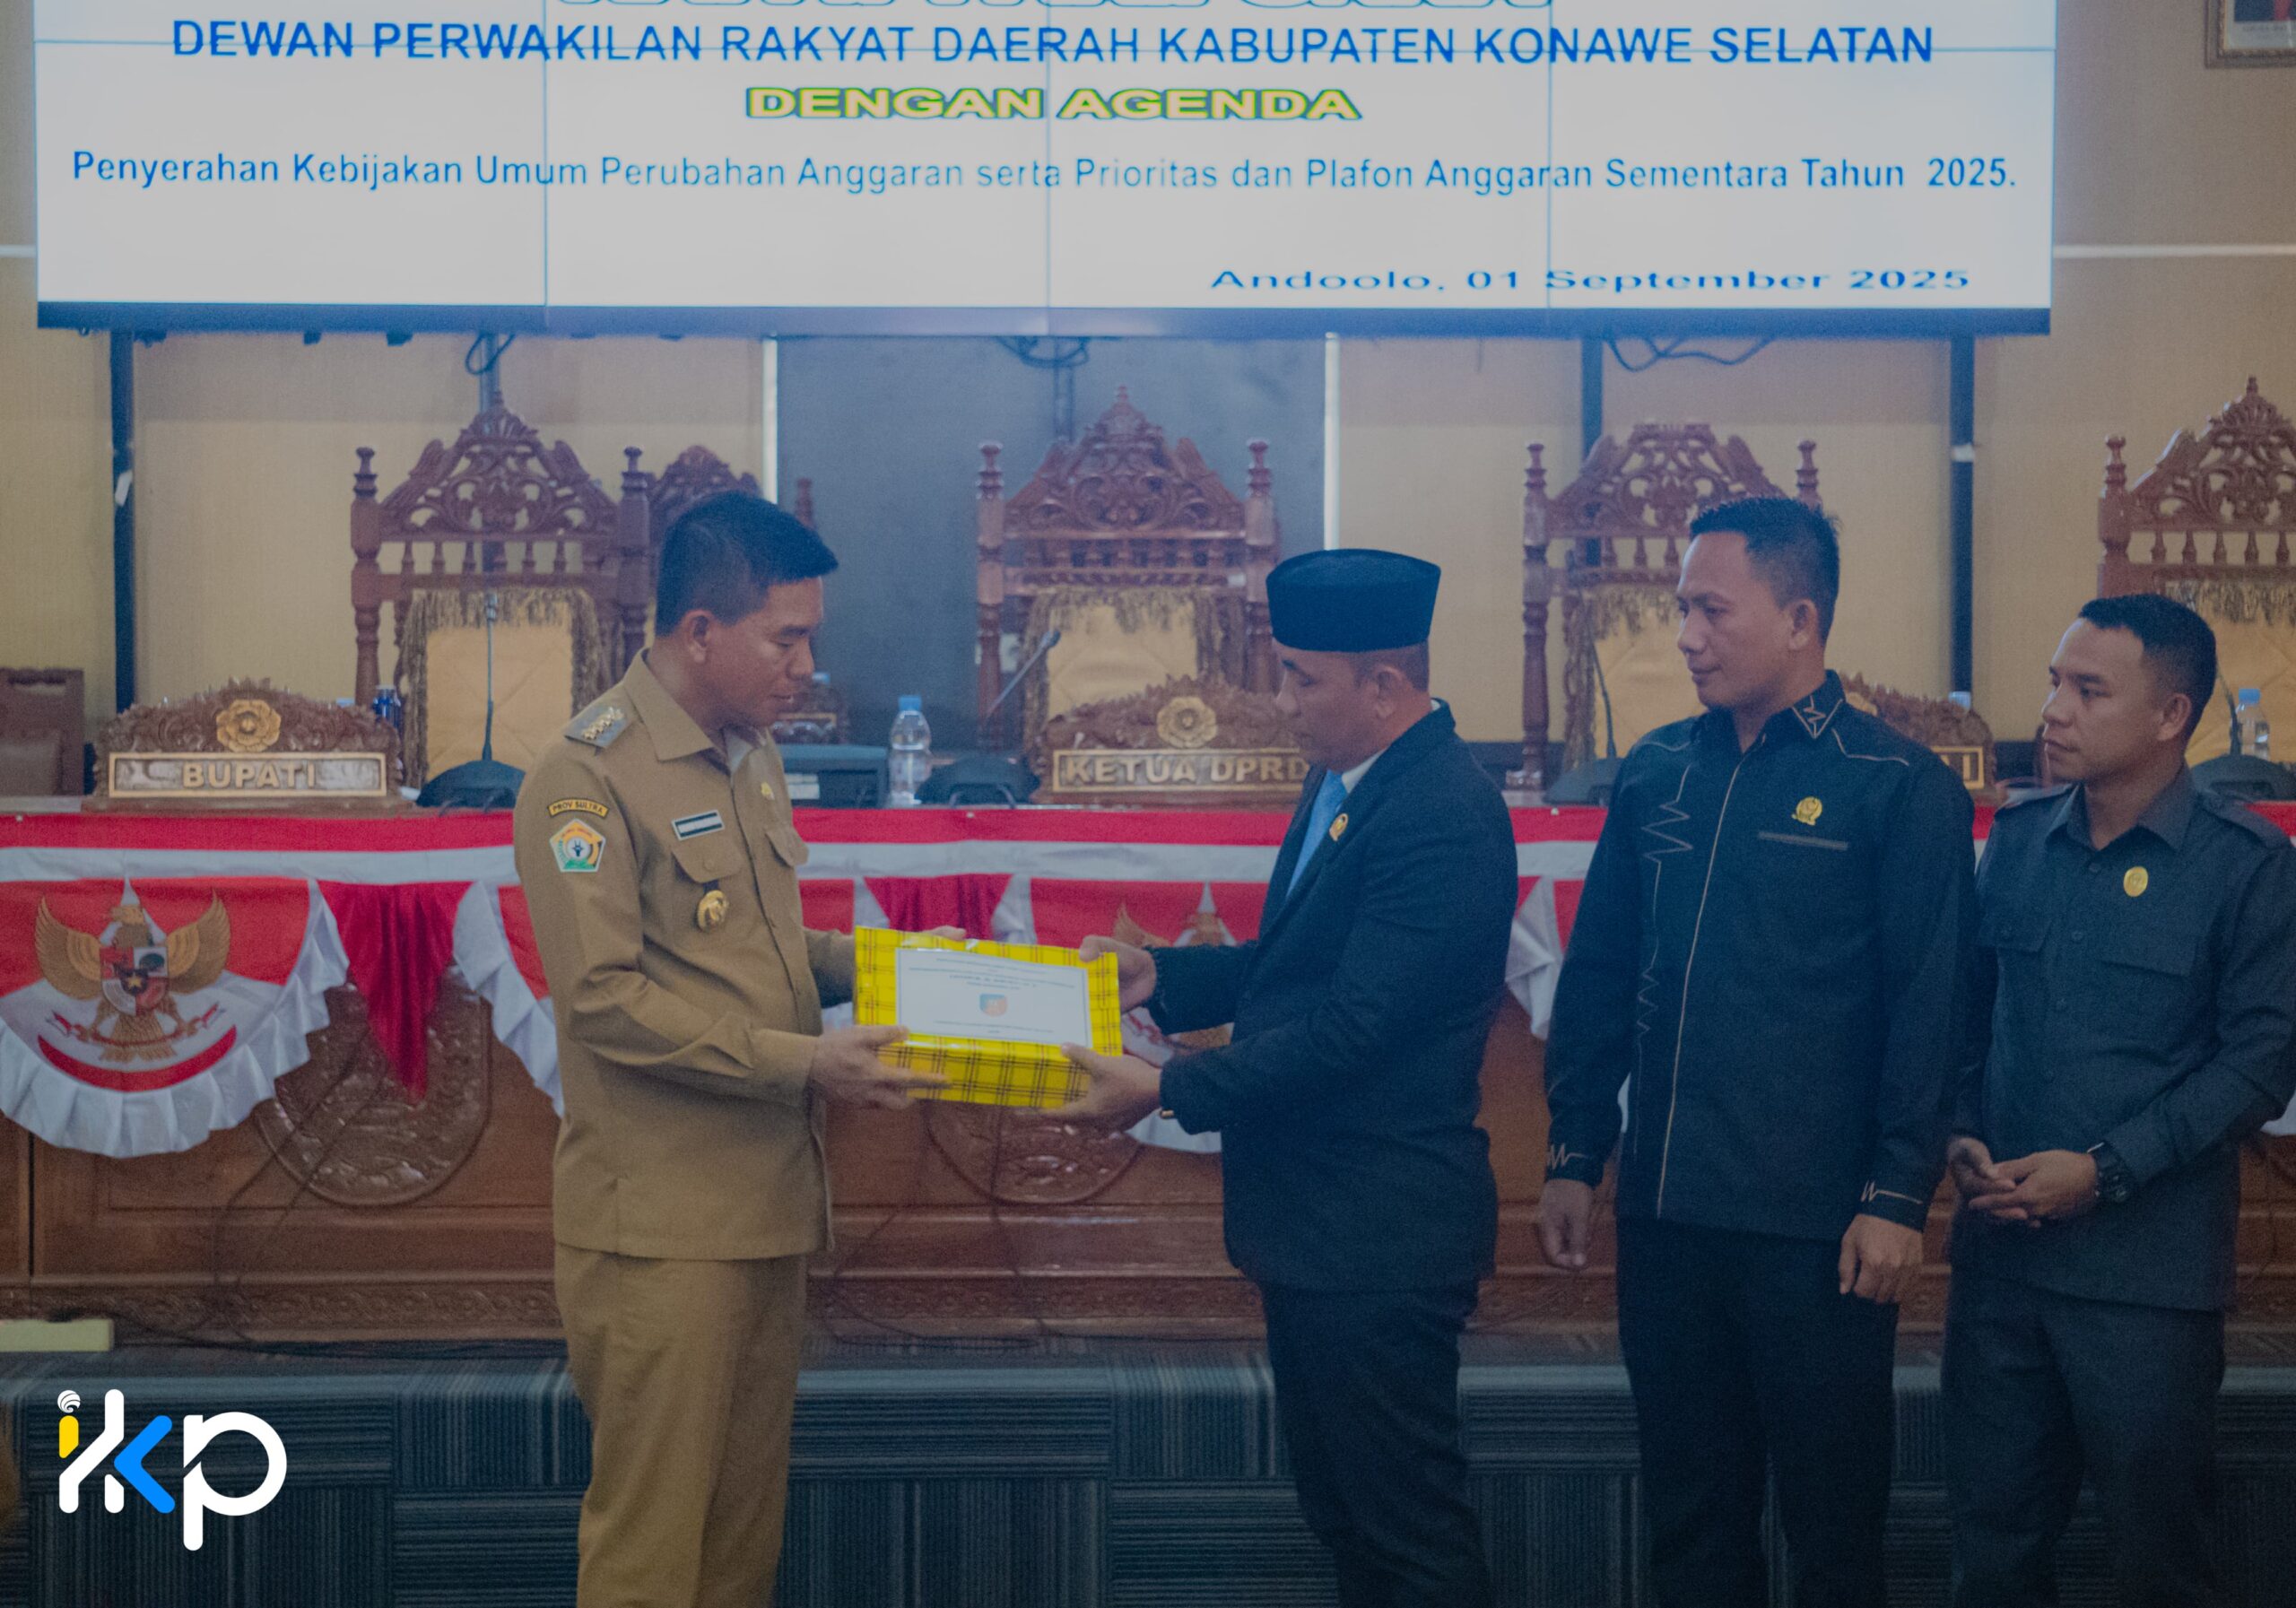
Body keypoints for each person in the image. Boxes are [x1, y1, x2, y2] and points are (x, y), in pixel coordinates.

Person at [1054, 548, 1517, 1608]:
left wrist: (1164, 1089)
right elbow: (1301, 964)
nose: (1282, 700)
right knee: (1347, 1515)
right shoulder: (1349, 780)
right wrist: (1161, 974)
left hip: (1378, 1229)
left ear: (1383, 685)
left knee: (1407, 1534)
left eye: (1302, 678)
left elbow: (1357, 1027)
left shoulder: (1440, 809)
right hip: (1319, 1224)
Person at [1539, 496, 1976, 1608]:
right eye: (1680, 608)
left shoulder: (1896, 784)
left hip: (1819, 1228)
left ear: (1799, 618)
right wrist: (1574, 1148)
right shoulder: (1654, 770)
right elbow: (1598, 974)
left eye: (1710, 609)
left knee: (1832, 1529)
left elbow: (1929, 1006)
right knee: (1690, 1520)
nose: (1684, 635)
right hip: (1667, 1214)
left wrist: (1896, 1193)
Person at [514, 491, 945, 1608]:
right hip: (661, 1227)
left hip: (761, 1205)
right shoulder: (587, 773)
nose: (807, 665)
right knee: (653, 1549)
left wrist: (896, 965)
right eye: (785, 638)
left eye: (810, 637)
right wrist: (808, 1063)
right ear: (700, 630)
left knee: (739, 1539)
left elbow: (758, 949)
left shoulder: (745, 753)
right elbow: (603, 999)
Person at [1944, 595, 2296, 1608]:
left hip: (2145, 1283)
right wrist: (1959, 1130)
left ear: (2170, 714)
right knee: (1992, 1554)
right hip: (2002, 1268)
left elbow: (2258, 1065)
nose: (2053, 708)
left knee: (2160, 1561)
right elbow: (1967, 1016)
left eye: (2089, 689)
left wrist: (2103, 1171)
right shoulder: (2018, 838)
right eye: (2056, 681)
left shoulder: (2245, 866)